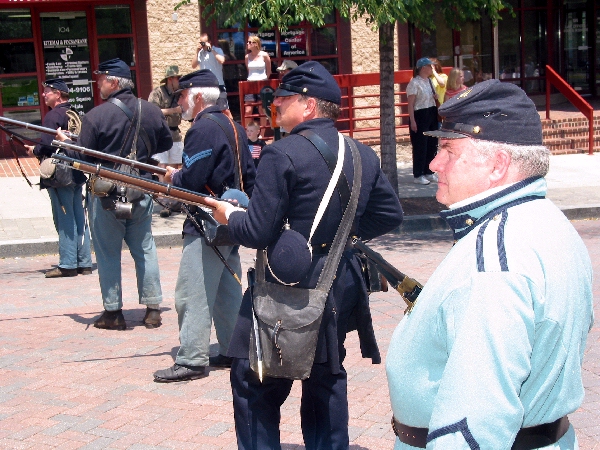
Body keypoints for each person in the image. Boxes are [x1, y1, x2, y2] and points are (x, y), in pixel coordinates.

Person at [204, 61, 403, 450]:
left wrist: (229, 216)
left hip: (287, 288)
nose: (274, 105)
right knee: (325, 378)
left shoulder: (282, 154)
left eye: (282, 98)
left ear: (308, 104)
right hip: (339, 282)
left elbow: (256, 231)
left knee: (253, 381)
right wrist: (340, 237)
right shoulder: (363, 153)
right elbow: (389, 214)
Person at [386, 79, 594, 449]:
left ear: (498, 164)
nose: (435, 163)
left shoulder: (496, 260)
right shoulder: (546, 221)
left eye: (449, 150)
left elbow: (473, 425)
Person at [153, 69, 256, 383]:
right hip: (230, 220)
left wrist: (173, 177)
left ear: (197, 96)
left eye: (183, 96)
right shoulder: (234, 126)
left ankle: (192, 359)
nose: (180, 102)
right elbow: (250, 176)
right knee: (227, 292)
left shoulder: (201, 130)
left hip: (206, 223)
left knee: (191, 294)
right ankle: (232, 348)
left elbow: (192, 180)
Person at [60, 58, 173, 330]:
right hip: (142, 188)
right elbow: (166, 142)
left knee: (108, 253)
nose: (98, 84)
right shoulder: (152, 110)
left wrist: (66, 144)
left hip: (106, 192)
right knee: (145, 248)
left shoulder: (95, 116)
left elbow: (83, 155)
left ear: (112, 82)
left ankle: (113, 312)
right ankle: (153, 308)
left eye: (101, 79)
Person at [24, 78, 92, 278]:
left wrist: (34, 149)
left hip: (61, 172)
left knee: (64, 218)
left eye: (47, 91)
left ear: (58, 94)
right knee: (79, 217)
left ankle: (68, 264)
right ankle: (84, 262)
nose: (43, 95)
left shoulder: (54, 115)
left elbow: (47, 144)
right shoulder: (75, 114)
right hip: (76, 169)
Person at [148, 65, 184, 217]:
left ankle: (175, 200)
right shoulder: (158, 93)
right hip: (162, 134)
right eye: (177, 78)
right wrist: (173, 111)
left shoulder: (179, 94)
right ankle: (164, 200)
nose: (179, 81)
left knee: (176, 166)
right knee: (162, 168)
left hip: (175, 134)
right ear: (171, 79)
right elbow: (153, 111)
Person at [407, 57, 438, 185]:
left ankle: (428, 171)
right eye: (430, 66)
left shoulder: (429, 81)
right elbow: (411, 104)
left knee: (432, 143)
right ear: (423, 68)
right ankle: (418, 173)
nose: (432, 69)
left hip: (431, 111)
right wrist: (413, 120)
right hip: (420, 113)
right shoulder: (414, 83)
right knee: (421, 145)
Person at [192, 32, 230, 113]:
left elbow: (222, 60)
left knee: (224, 110)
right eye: (201, 42)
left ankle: (231, 125)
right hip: (206, 85)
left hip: (218, 84)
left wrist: (211, 50)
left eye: (203, 42)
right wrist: (197, 52)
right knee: (207, 109)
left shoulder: (217, 50)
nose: (202, 45)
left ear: (209, 42)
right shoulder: (200, 53)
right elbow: (193, 65)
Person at [244, 35, 271, 119]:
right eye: (247, 42)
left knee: (262, 110)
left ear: (256, 44)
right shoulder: (247, 57)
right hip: (250, 83)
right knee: (248, 110)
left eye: (250, 42)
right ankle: (247, 132)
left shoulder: (264, 55)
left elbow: (269, 71)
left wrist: (265, 80)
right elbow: (249, 70)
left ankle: (262, 132)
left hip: (262, 83)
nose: (248, 44)